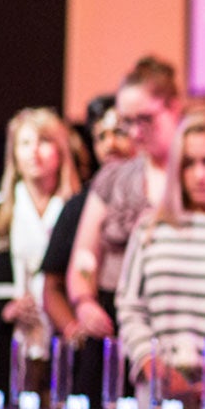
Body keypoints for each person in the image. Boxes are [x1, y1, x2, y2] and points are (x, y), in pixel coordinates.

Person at [116, 103, 205, 409]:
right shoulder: (151, 227)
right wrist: (154, 366)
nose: (199, 175)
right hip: (157, 395)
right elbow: (130, 306)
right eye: (188, 163)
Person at [66, 57, 185, 350]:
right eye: (127, 121)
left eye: (145, 119)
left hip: (177, 328)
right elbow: (85, 255)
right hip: (112, 325)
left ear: (173, 107)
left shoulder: (197, 175)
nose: (134, 132)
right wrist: (84, 302)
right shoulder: (114, 178)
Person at [0, 107, 80, 395]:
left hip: (62, 345)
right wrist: (6, 309)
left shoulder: (78, 210)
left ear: (61, 151)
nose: (33, 152)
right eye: (25, 143)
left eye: (44, 142)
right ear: (13, 152)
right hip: (7, 348)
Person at [41, 94, 136, 405]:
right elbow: (52, 284)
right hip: (98, 340)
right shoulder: (79, 205)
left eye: (119, 132)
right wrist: (76, 326)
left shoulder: (161, 197)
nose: (110, 144)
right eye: (100, 137)